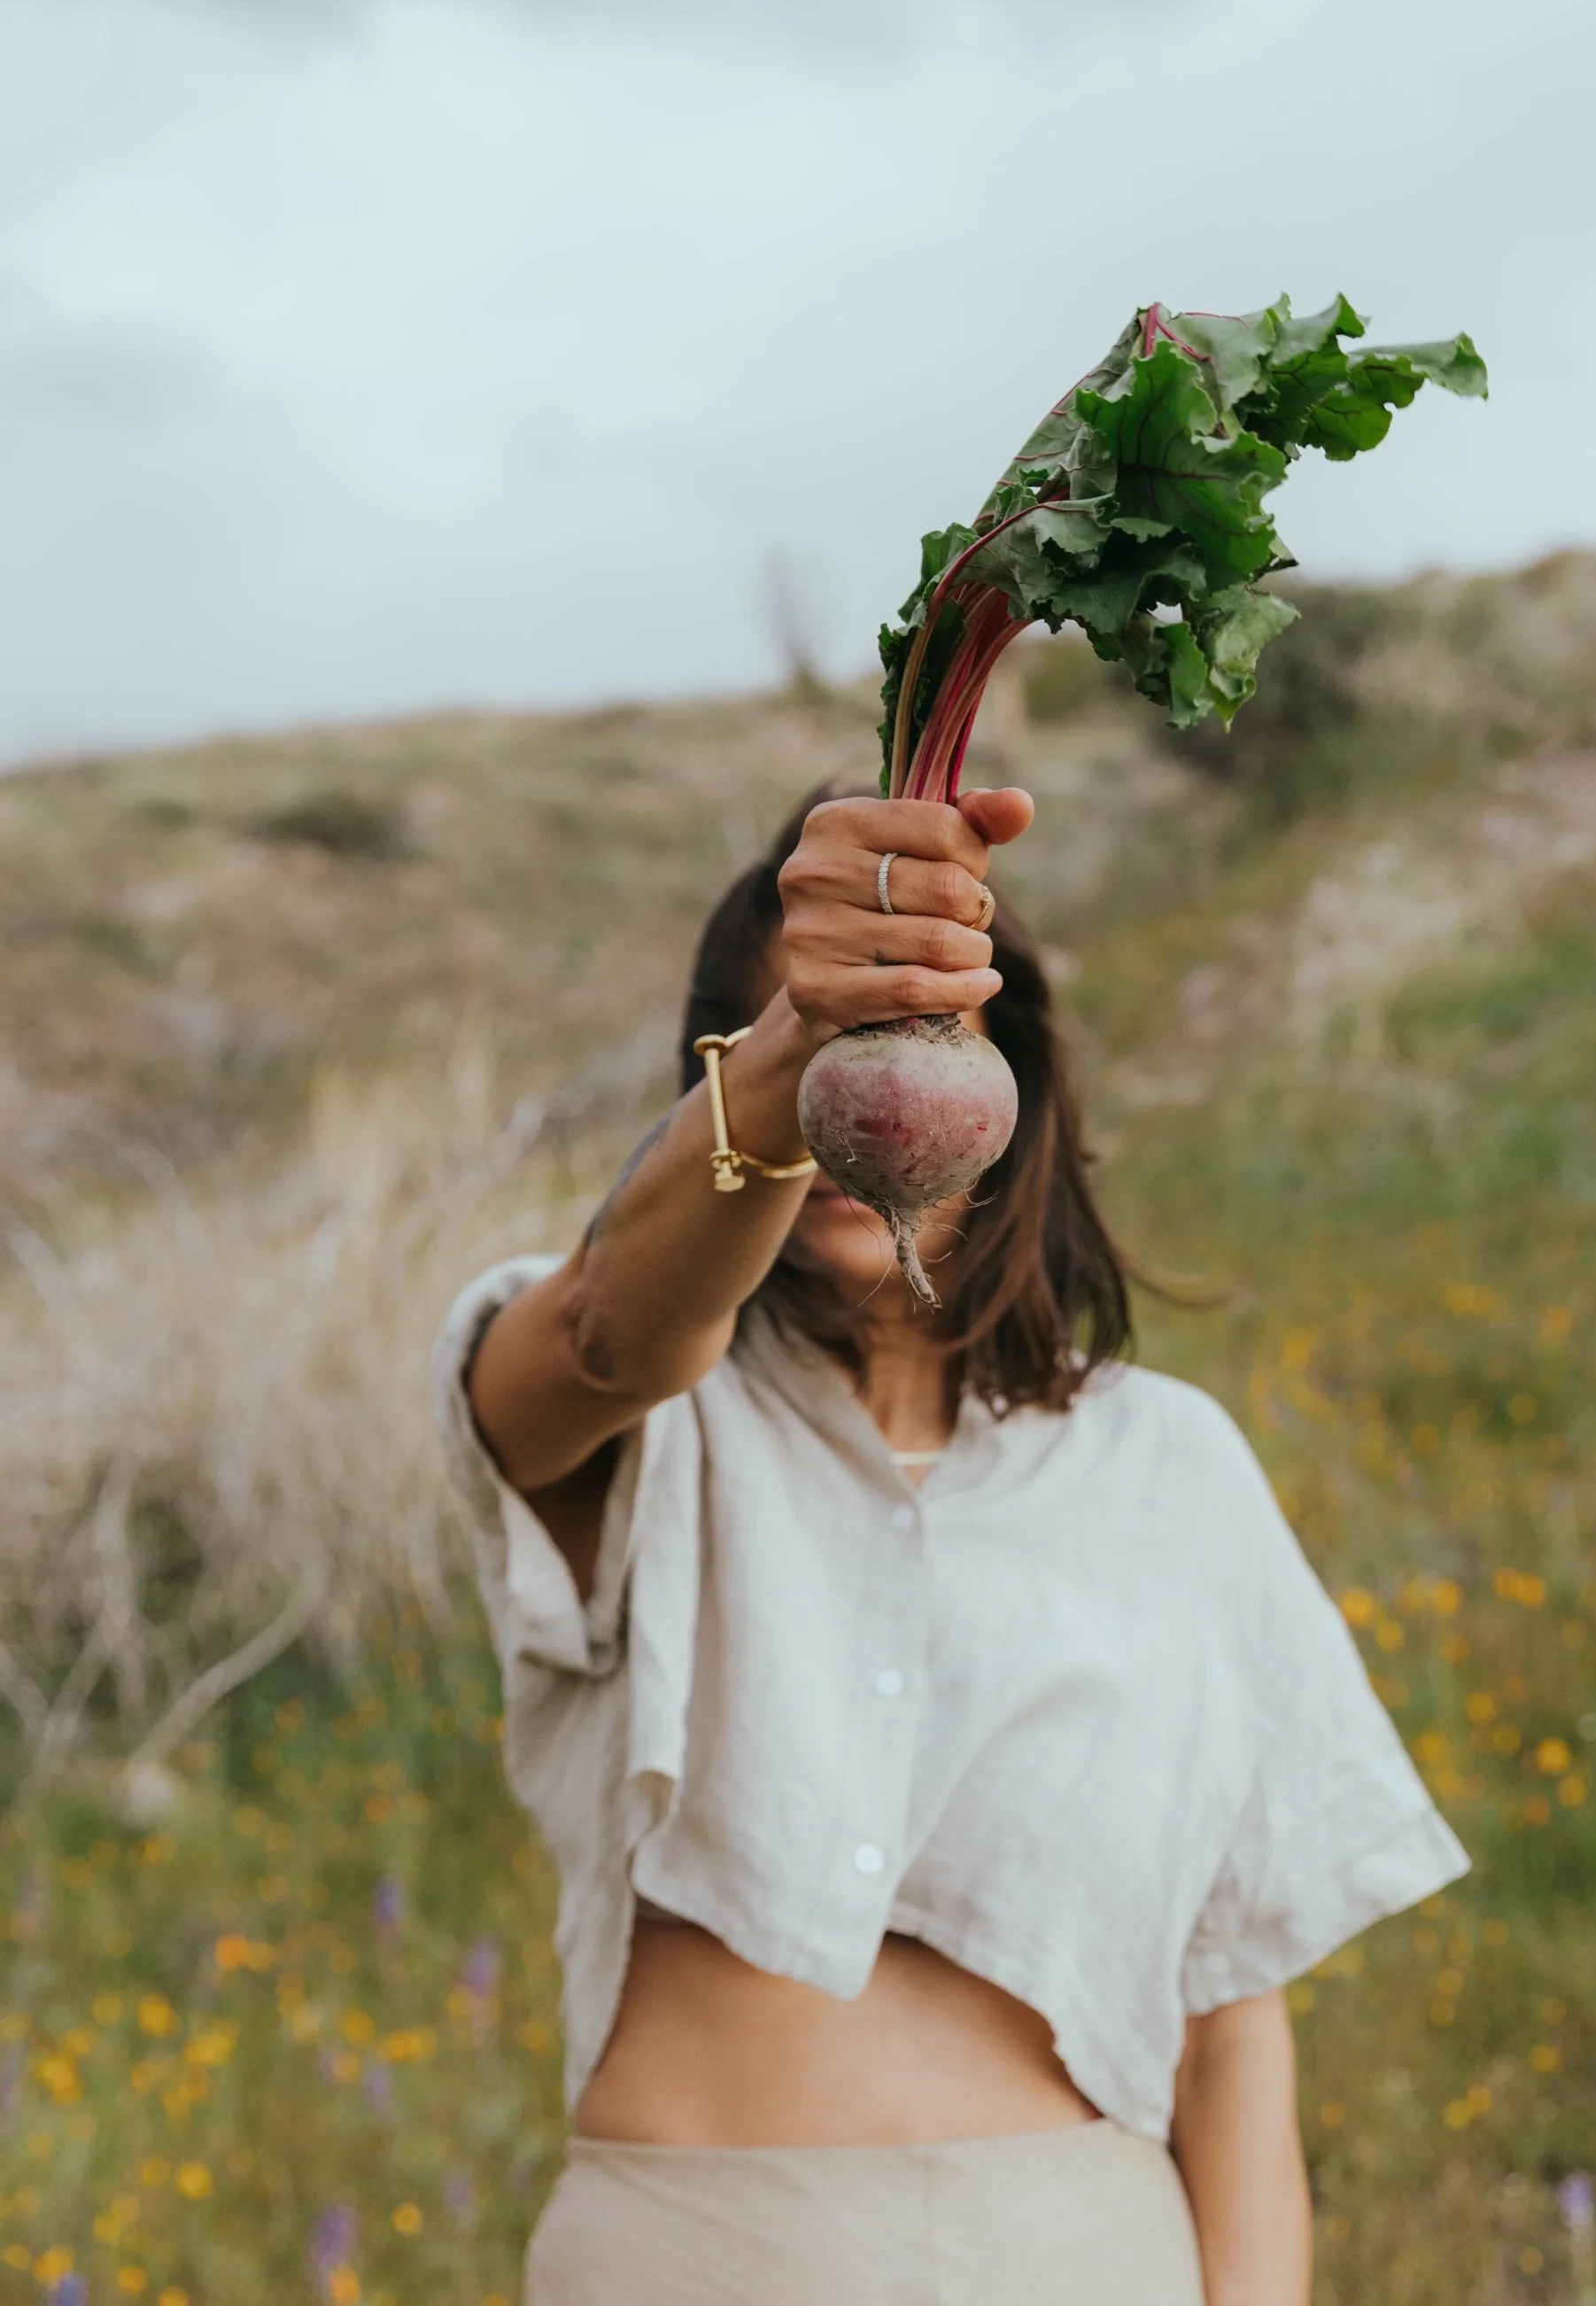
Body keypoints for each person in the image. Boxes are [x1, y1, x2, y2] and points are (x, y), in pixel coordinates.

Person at [433, 784, 1468, 2306]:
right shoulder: (654, 1415)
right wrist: (810, 1042)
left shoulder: (1167, 1465)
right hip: (697, 2257)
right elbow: (604, 1337)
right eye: (789, 1036)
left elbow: (1235, 2023)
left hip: (1087, 2254)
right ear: (725, 1089)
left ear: (1019, 1081)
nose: (863, 1067)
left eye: (921, 1029)